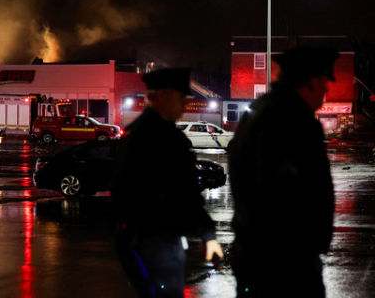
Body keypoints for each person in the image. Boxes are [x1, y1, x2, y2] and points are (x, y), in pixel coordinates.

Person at [228, 46, 338, 297]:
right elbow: (284, 192)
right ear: (308, 82)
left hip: (259, 253)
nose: (326, 90)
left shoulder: (260, 111)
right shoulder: (291, 120)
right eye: (323, 82)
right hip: (284, 262)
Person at [111, 68, 224, 298]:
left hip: (146, 239)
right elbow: (182, 193)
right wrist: (207, 234)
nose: (185, 103)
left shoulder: (143, 135)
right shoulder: (161, 140)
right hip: (156, 241)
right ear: (163, 95)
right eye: (181, 97)